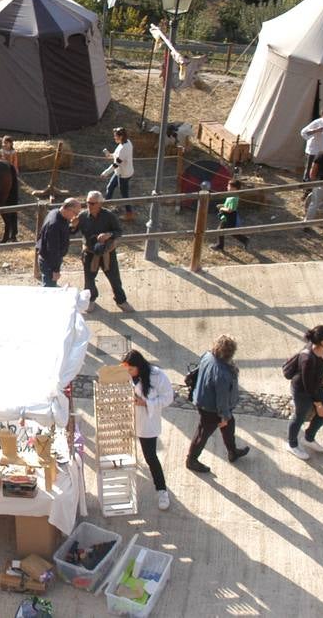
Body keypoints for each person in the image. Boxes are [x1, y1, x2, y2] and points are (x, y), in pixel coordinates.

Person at [186, 334, 249, 472]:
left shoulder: (207, 356)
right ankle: (191, 460)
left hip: (203, 399)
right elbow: (222, 399)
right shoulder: (222, 374)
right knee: (203, 433)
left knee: (229, 426)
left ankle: (232, 452)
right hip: (211, 408)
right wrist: (224, 416)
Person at [121, 350, 174, 510]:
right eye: (127, 370)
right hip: (127, 418)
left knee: (150, 456)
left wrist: (146, 403)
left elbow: (168, 398)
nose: (128, 373)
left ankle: (162, 490)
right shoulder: (127, 374)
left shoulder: (157, 376)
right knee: (125, 450)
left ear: (139, 366)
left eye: (131, 370)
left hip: (147, 422)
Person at [286, 325, 323, 460]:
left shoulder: (321, 348)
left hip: (316, 386)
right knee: (299, 417)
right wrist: (318, 404)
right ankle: (292, 444)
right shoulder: (308, 359)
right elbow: (308, 385)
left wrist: (322, 377)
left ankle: (308, 438)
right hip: (302, 390)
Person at [77, 191, 129, 311]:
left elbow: (119, 231)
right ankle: (90, 300)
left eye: (92, 203)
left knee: (114, 278)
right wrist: (72, 225)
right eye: (87, 202)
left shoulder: (109, 216)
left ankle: (121, 301)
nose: (89, 205)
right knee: (89, 279)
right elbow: (72, 231)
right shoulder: (83, 216)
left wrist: (108, 235)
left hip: (107, 253)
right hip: (90, 253)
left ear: (100, 204)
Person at [37, 197, 79, 287]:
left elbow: (63, 232)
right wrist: (55, 270)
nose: (75, 216)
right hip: (49, 261)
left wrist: (72, 227)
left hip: (49, 259)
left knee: (50, 286)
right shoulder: (55, 224)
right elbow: (53, 249)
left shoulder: (56, 213)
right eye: (75, 213)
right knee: (49, 289)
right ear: (67, 209)